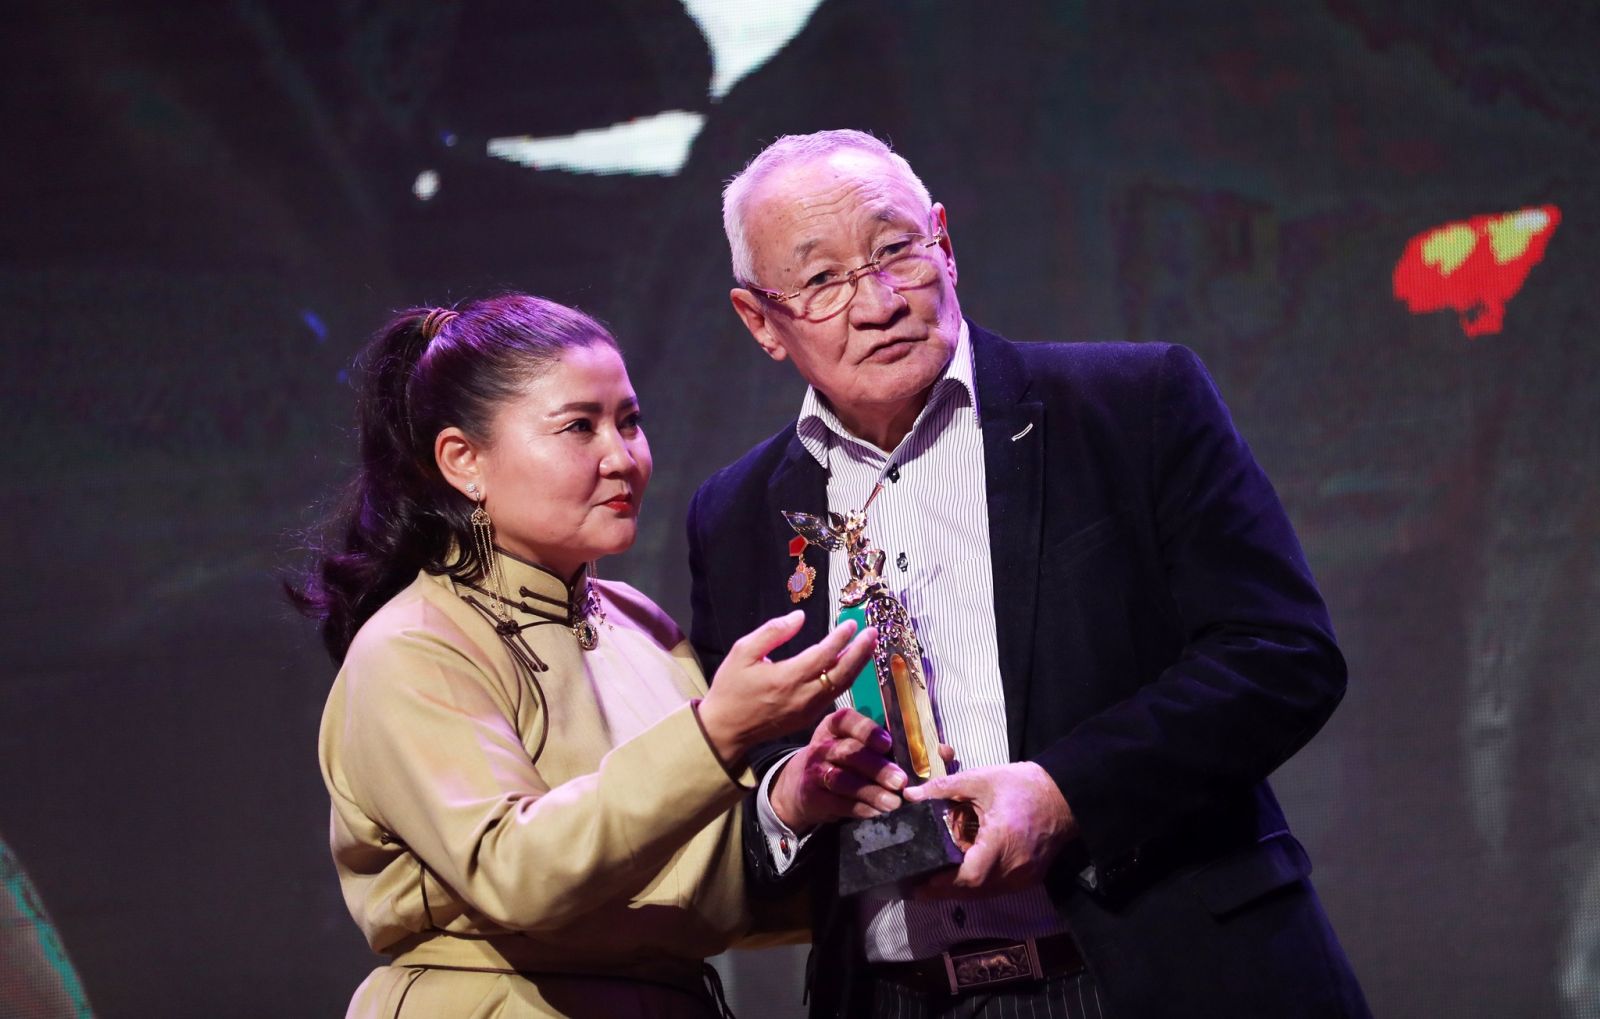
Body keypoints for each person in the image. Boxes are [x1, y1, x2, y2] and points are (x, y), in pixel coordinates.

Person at [687, 130, 1371, 1018]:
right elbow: (745, 781)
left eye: (895, 250)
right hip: (899, 996)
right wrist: (794, 794)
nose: (879, 302)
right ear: (759, 321)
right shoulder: (735, 512)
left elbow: (1280, 654)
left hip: (1155, 974)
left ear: (944, 242)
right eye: (822, 280)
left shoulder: (1131, 404)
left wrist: (1064, 792)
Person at [291, 294, 877, 1018]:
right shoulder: (415, 643)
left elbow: (699, 895)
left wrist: (794, 803)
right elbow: (518, 873)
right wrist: (715, 733)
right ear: (463, 460)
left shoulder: (640, 625)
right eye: (579, 427)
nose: (621, 456)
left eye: (629, 421)